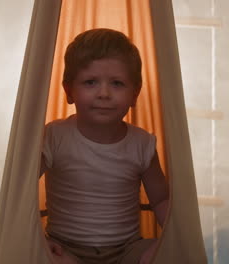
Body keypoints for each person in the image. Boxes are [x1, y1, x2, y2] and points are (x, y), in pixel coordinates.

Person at [39, 28, 169, 264]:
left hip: (126, 251)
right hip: (66, 249)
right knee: (40, 255)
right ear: (69, 91)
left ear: (135, 94)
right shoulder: (54, 136)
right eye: (90, 82)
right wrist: (38, 240)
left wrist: (176, 238)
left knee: (165, 253)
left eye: (117, 84)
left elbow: (161, 200)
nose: (104, 93)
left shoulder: (142, 144)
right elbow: (20, 191)